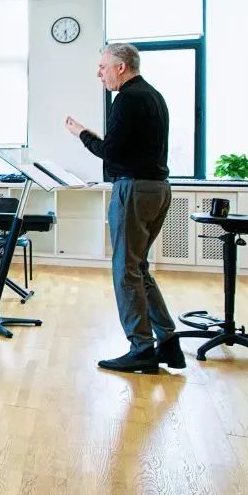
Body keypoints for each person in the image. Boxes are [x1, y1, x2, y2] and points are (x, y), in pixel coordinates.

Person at [65, 43, 179, 374]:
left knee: (126, 270)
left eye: (103, 67)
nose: (99, 74)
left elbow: (111, 153)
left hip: (134, 190)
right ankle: (168, 342)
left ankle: (142, 348)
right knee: (138, 267)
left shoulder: (127, 98)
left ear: (121, 67)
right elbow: (127, 148)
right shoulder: (154, 96)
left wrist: (82, 134)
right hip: (158, 189)